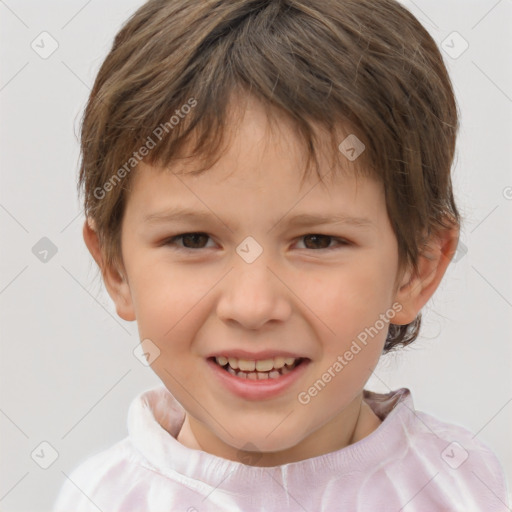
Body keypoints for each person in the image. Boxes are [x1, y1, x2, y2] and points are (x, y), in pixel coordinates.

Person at [54, 0, 509, 510]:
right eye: (193, 240)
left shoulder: (471, 488)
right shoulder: (96, 500)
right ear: (115, 266)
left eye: (316, 242)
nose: (252, 306)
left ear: (417, 269)